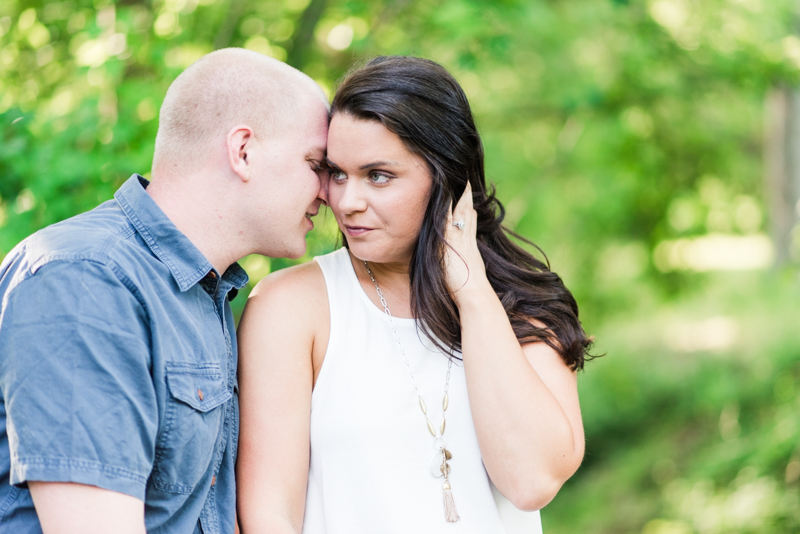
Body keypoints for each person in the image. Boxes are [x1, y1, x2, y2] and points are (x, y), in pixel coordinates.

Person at [236, 56, 592, 534]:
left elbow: (530, 480)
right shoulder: (291, 307)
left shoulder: (523, 306)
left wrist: (470, 290)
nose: (345, 201)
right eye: (337, 173)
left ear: (445, 177)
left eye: (378, 175)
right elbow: (267, 514)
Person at [0, 48, 329, 534]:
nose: (327, 190)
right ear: (244, 151)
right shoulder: (87, 280)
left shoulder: (203, 294)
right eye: (314, 163)